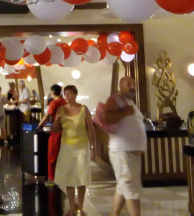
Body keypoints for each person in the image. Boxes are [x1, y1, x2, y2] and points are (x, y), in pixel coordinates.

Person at [103, 76, 147, 216]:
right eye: (128, 84)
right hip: (122, 151)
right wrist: (123, 112)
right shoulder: (114, 100)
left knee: (124, 187)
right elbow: (107, 119)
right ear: (120, 86)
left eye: (133, 83)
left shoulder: (130, 102)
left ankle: (114, 214)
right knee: (131, 188)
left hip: (131, 152)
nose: (132, 86)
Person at [52, 84, 96, 216]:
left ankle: (80, 207)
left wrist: (93, 147)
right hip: (67, 147)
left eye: (70, 93)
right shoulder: (61, 110)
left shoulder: (83, 109)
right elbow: (56, 130)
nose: (67, 96)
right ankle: (72, 207)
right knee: (69, 178)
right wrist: (56, 121)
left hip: (81, 147)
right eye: (65, 94)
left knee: (81, 177)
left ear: (75, 94)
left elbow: (90, 129)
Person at [37, 84, 66, 183]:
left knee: (52, 154)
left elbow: (47, 116)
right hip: (65, 131)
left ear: (53, 92)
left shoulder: (54, 103)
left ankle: (52, 177)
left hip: (56, 131)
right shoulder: (64, 101)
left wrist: (39, 125)